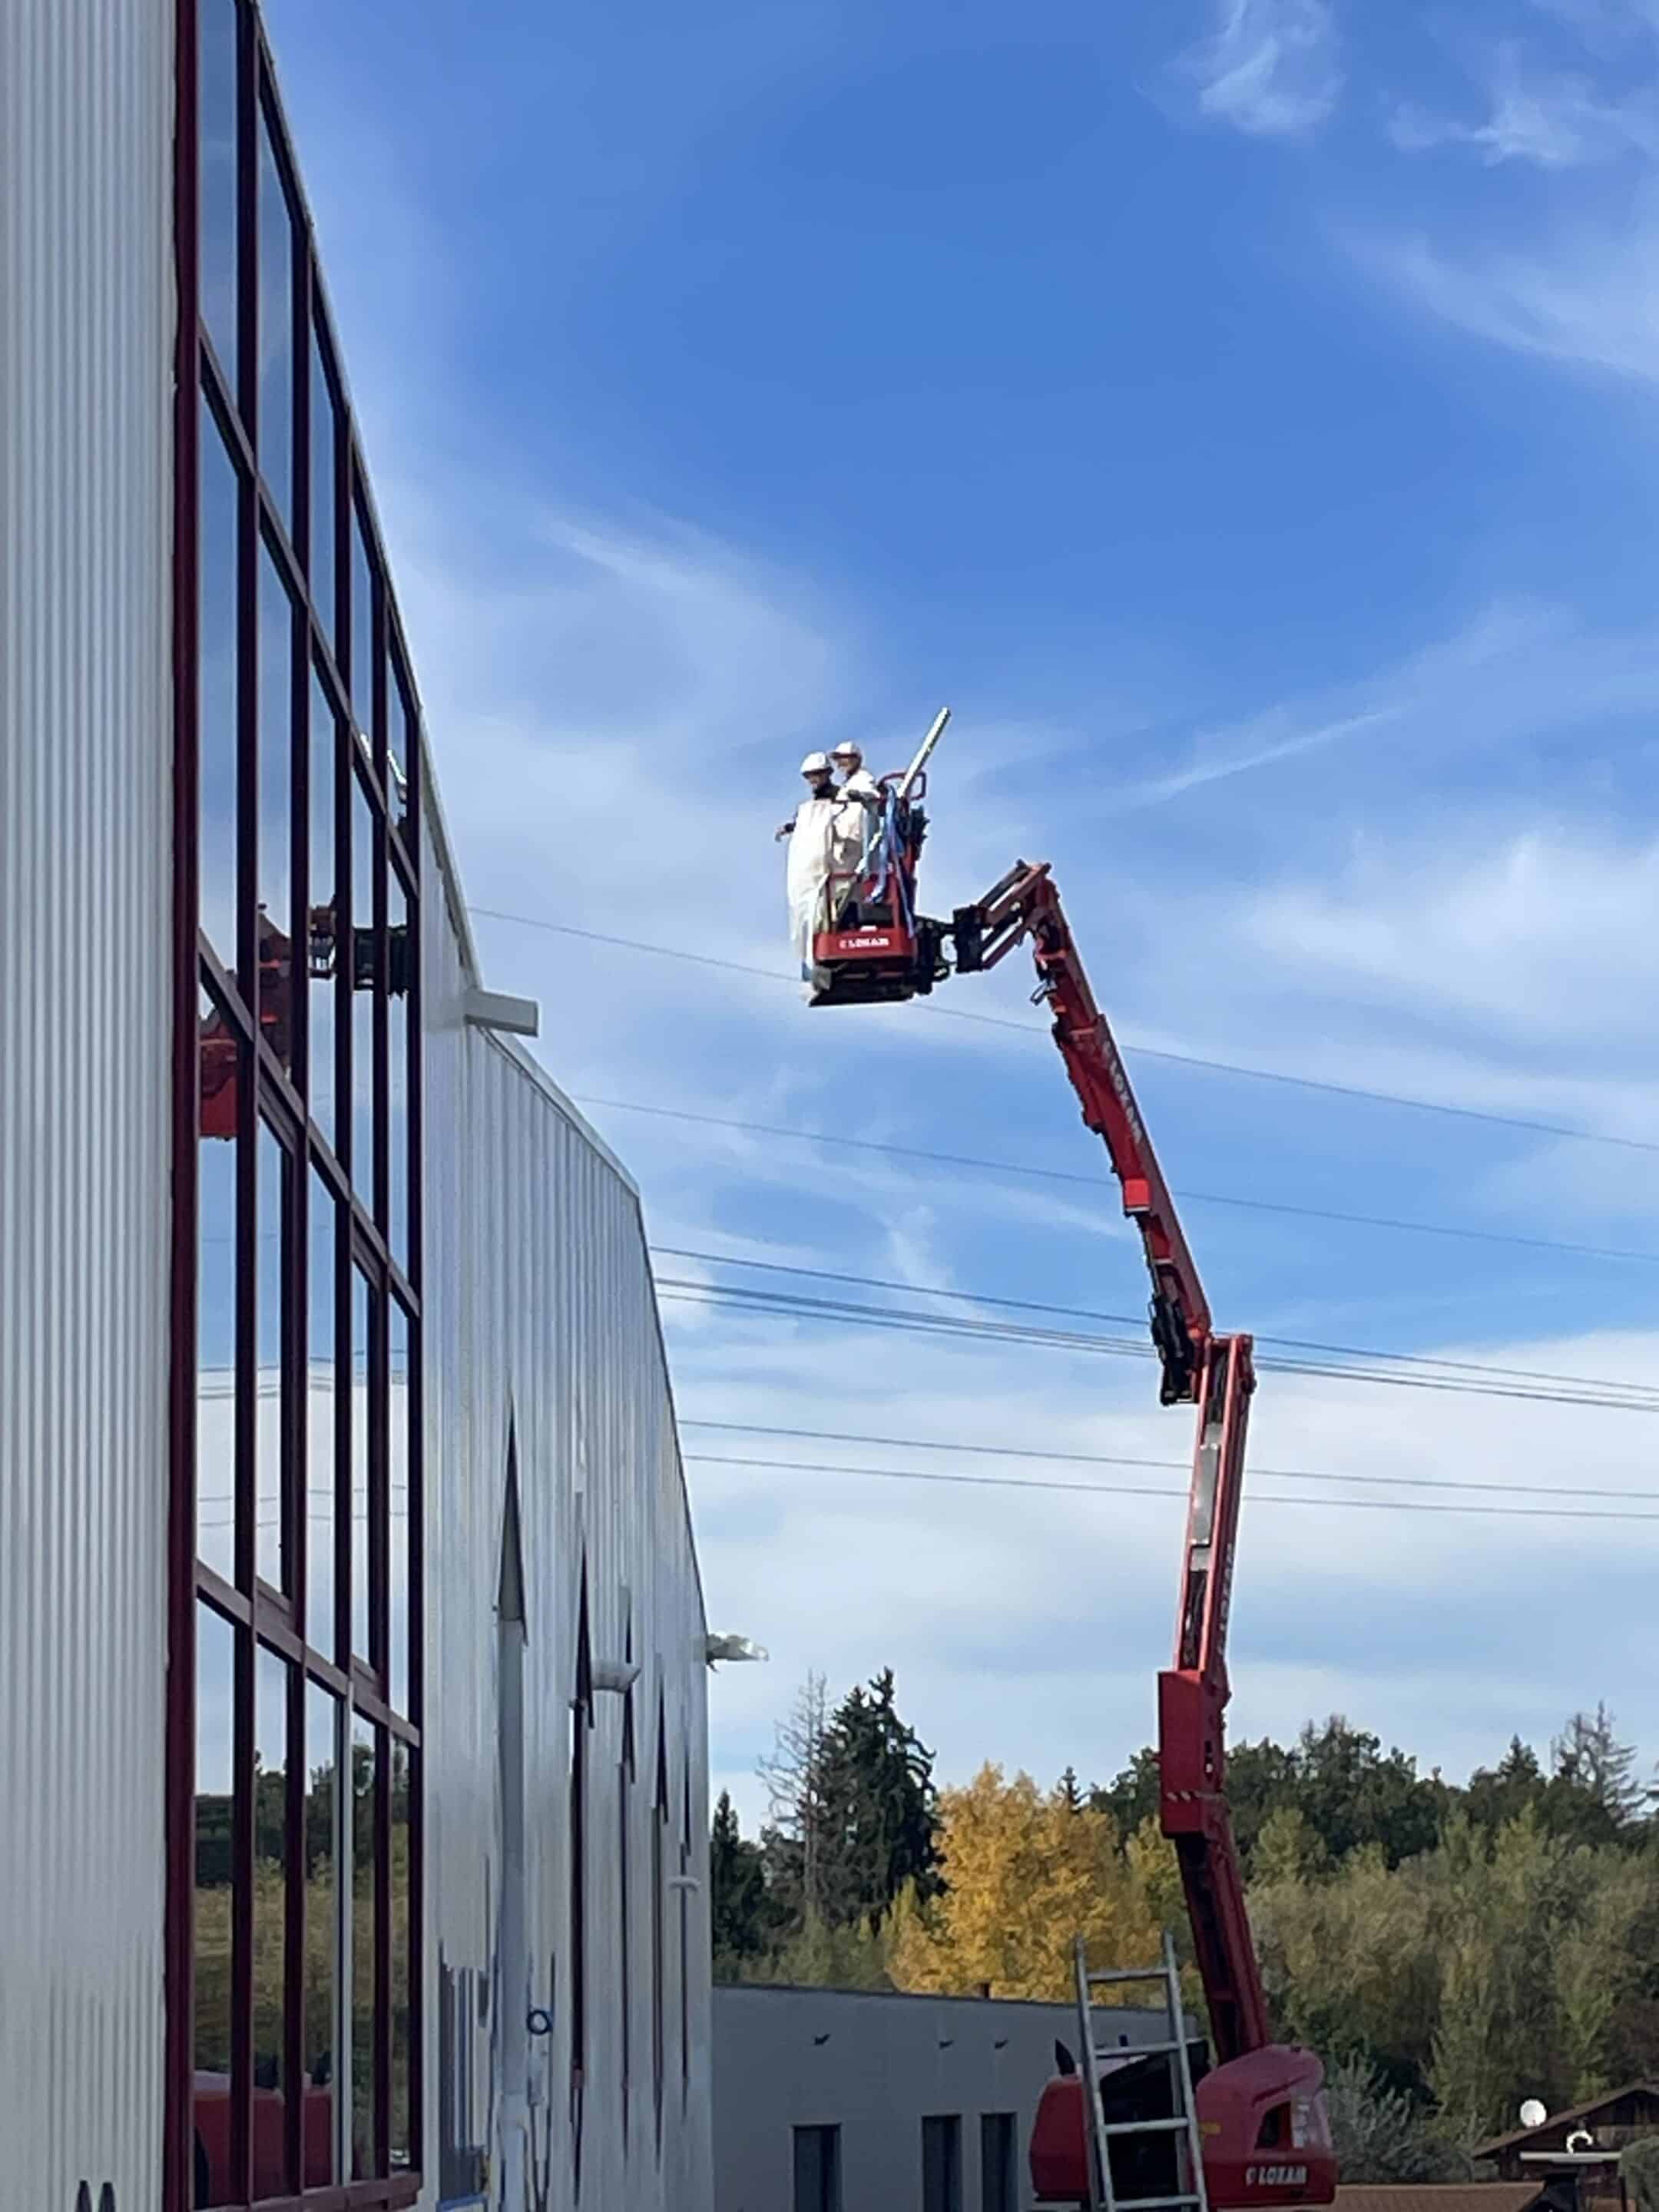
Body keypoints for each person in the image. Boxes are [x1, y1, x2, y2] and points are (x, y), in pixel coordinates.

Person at [776, 751, 837, 839]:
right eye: (808, 776)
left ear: (827, 774)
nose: (811, 780)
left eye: (815, 774)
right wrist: (787, 828)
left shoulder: (840, 796)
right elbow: (805, 826)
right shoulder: (812, 805)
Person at [830, 740, 880, 808]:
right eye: (838, 759)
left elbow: (873, 795)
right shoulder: (847, 783)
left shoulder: (864, 777)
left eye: (844, 758)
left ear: (856, 759)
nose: (840, 763)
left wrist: (860, 796)